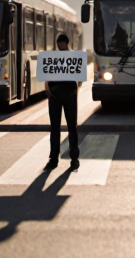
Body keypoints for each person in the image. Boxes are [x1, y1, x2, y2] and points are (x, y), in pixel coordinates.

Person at [45, 33, 81, 171]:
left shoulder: (62, 56)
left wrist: (48, 87)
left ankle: (60, 159)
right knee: (67, 127)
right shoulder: (68, 57)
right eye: (58, 43)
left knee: (61, 127)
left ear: (65, 43)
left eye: (60, 43)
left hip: (61, 95)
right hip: (64, 94)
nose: (59, 46)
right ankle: (69, 159)